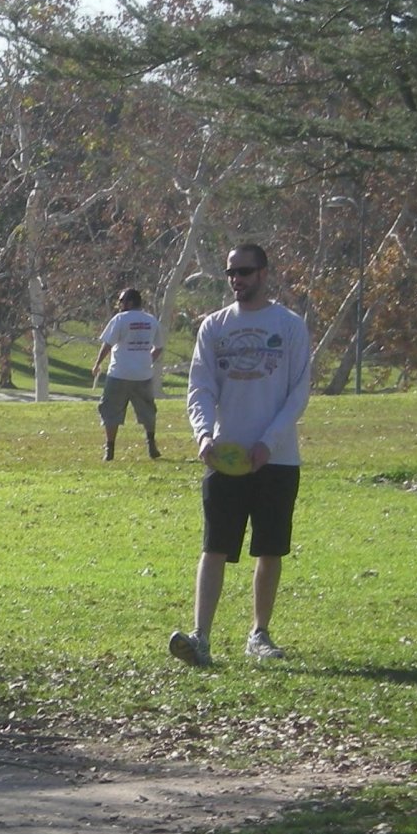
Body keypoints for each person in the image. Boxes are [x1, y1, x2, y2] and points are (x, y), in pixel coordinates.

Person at [171, 244, 311, 665]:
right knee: (215, 546)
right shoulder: (214, 326)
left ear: (264, 274)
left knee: (269, 549)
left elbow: (298, 392)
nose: (237, 279)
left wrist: (269, 441)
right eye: (231, 272)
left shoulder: (289, 326)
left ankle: (260, 635)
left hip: (277, 458)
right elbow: (200, 387)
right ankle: (200, 638)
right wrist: (204, 435)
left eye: (245, 272)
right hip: (225, 457)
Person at [91, 287, 164, 461]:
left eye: (121, 301)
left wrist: (97, 364)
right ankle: (151, 444)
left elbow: (107, 345)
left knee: (110, 411)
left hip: (119, 374)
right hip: (143, 375)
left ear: (130, 302)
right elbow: (159, 346)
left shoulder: (120, 319)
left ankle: (110, 449)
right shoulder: (151, 320)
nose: (119, 304)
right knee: (147, 410)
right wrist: (146, 361)